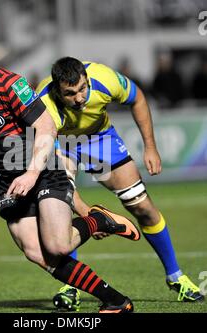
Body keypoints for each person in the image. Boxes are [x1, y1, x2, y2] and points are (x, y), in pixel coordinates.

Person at [0, 26, 142, 313]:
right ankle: (116, 301)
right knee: (36, 252)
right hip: (9, 177)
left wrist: (32, 172)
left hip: (43, 167)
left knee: (58, 246)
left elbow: (46, 127)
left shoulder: (10, 83)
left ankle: (98, 220)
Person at [36, 56, 204, 309]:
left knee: (141, 206)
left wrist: (150, 147)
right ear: (58, 90)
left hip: (99, 139)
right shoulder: (43, 104)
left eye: (83, 88)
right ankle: (71, 286)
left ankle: (176, 277)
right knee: (61, 208)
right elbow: (54, 159)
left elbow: (138, 99)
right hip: (62, 144)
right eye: (70, 93)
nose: (80, 98)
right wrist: (88, 214)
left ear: (87, 78)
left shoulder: (105, 78)